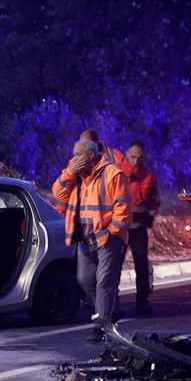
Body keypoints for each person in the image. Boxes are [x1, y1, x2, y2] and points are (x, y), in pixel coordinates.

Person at [52, 139, 132, 341]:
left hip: (109, 238)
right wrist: (69, 171)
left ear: (90, 155)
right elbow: (57, 192)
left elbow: (123, 207)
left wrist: (112, 231)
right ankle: (108, 310)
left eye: (78, 155)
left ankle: (101, 326)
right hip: (85, 239)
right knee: (85, 280)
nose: (75, 158)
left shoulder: (112, 173)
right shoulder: (75, 173)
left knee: (105, 281)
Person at [118, 141, 160, 315]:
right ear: (127, 154)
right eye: (133, 157)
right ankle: (111, 302)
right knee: (114, 267)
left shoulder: (148, 174)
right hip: (119, 228)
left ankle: (142, 303)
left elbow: (154, 199)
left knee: (141, 266)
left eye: (139, 158)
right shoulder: (117, 172)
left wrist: (149, 217)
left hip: (139, 229)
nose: (135, 161)